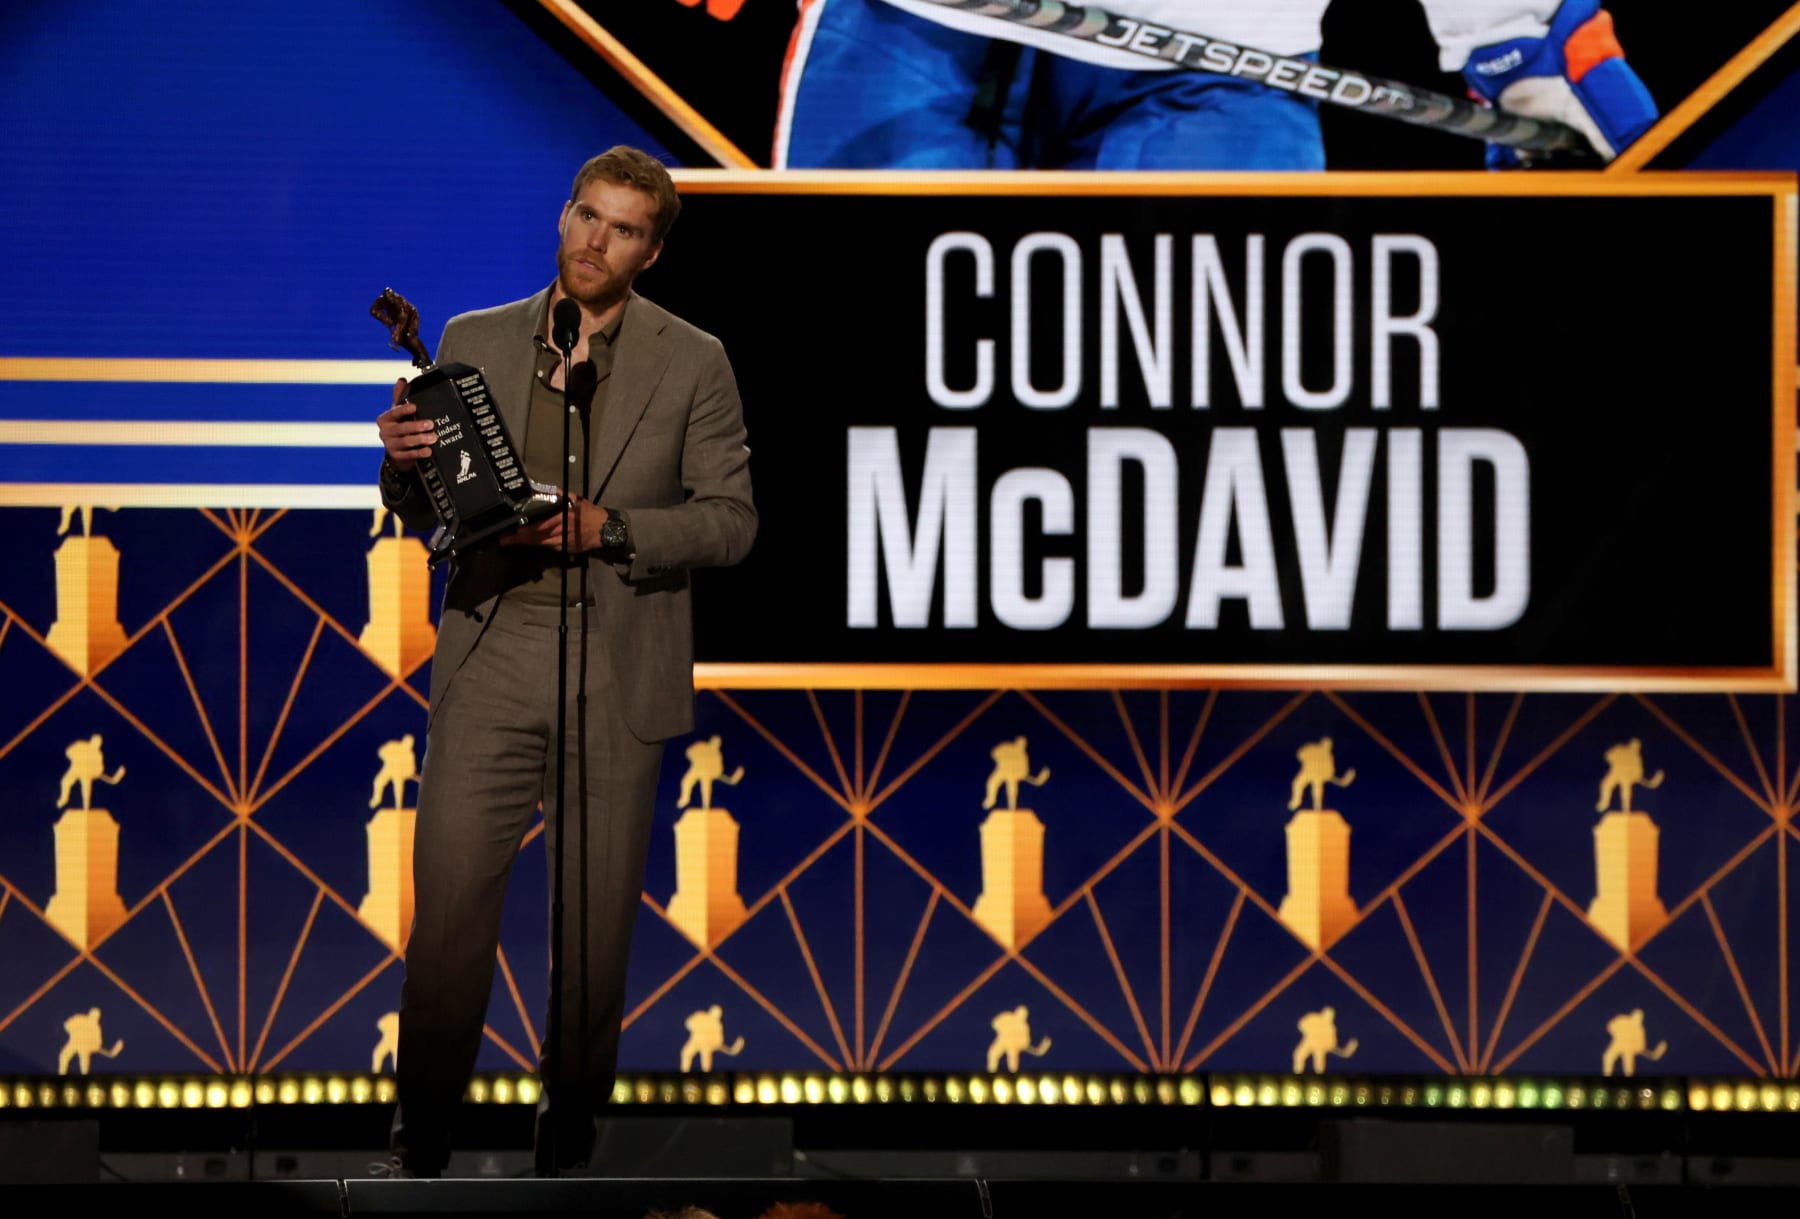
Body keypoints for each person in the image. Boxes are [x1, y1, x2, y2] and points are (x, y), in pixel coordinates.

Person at [373, 146, 757, 1178]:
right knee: (451, 908)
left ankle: (569, 1139)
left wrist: (612, 529)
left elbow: (731, 523)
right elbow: (424, 514)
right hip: (497, 641)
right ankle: (423, 1140)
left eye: (623, 229)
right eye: (587, 216)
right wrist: (399, 462)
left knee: (590, 932)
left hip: (617, 653)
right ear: (563, 217)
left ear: (653, 251)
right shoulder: (472, 340)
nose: (596, 240)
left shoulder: (694, 360)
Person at [775, 0, 1657, 170]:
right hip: (913, 29)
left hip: (1227, 60)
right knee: (851, 380)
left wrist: (1515, 32)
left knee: (1214, 447)